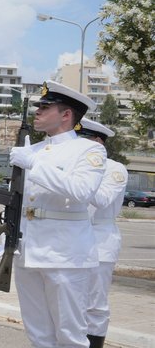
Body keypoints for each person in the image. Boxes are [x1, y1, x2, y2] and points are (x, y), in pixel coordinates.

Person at [8, 81, 105, 348]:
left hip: (65, 255)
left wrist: (34, 163)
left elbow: (82, 191)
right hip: (28, 252)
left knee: (70, 335)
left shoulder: (90, 150)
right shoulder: (34, 151)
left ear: (66, 115)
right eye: (38, 106)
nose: (37, 111)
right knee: (38, 333)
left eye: (45, 106)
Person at [77, 118, 128, 348]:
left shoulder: (115, 169)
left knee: (95, 303)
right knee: (73, 300)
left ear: (98, 142)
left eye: (81, 139)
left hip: (101, 241)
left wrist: (79, 181)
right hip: (74, 239)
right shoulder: (76, 167)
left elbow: (103, 198)